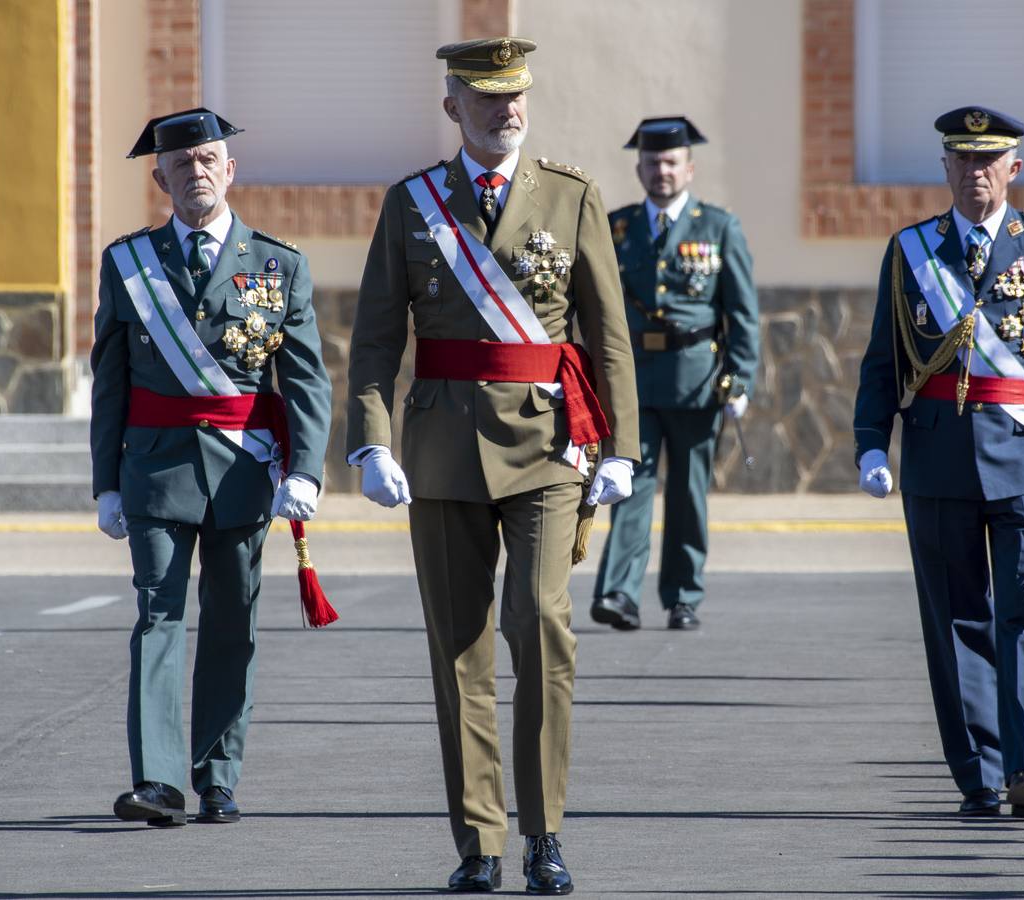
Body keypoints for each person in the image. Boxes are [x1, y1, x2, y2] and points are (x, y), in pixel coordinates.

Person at [345, 37, 639, 894]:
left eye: (516, 96)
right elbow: (373, 339)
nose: (507, 110)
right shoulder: (412, 205)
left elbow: (607, 334)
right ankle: (480, 841)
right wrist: (370, 439)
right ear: (453, 109)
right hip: (440, 449)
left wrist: (622, 447)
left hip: (548, 447)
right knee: (460, 649)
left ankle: (544, 832)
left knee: (541, 626)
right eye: (486, 99)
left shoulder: (571, 195)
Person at [853, 106, 1024, 818]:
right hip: (937, 459)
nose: (976, 173)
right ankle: (979, 774)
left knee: (1023, 617)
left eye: (988, 160)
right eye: (962, 160)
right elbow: (883, 358)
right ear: (945, 168)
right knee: (956, 623)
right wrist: (872, 442)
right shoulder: (911, 248)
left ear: (1014, 168)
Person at [91, 108, 333, 827]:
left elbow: (309, 379)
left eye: (209, 160)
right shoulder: (128, 261)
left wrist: (306, 471)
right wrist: (105, 482)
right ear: (160, 176)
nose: (196, 172)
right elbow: (111, 379)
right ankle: (159, 782)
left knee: (232, 622)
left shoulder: (278, 264)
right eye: (182, 163)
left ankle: (218, 776)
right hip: (156, 470)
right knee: (158, 615)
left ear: (230, 170)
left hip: (242, 471)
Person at [591, 117, 759, 632]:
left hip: (697, 381)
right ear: (639, 168)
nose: (661, 171)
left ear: (690, 168)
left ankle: (684, 596)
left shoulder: (718, 227)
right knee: (628, 487)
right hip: (633, 381)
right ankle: (619, 593)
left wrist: (741, 378)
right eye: (651, 162)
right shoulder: (616, 227)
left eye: (670, 162)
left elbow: (742, 310)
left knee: (689, 492)